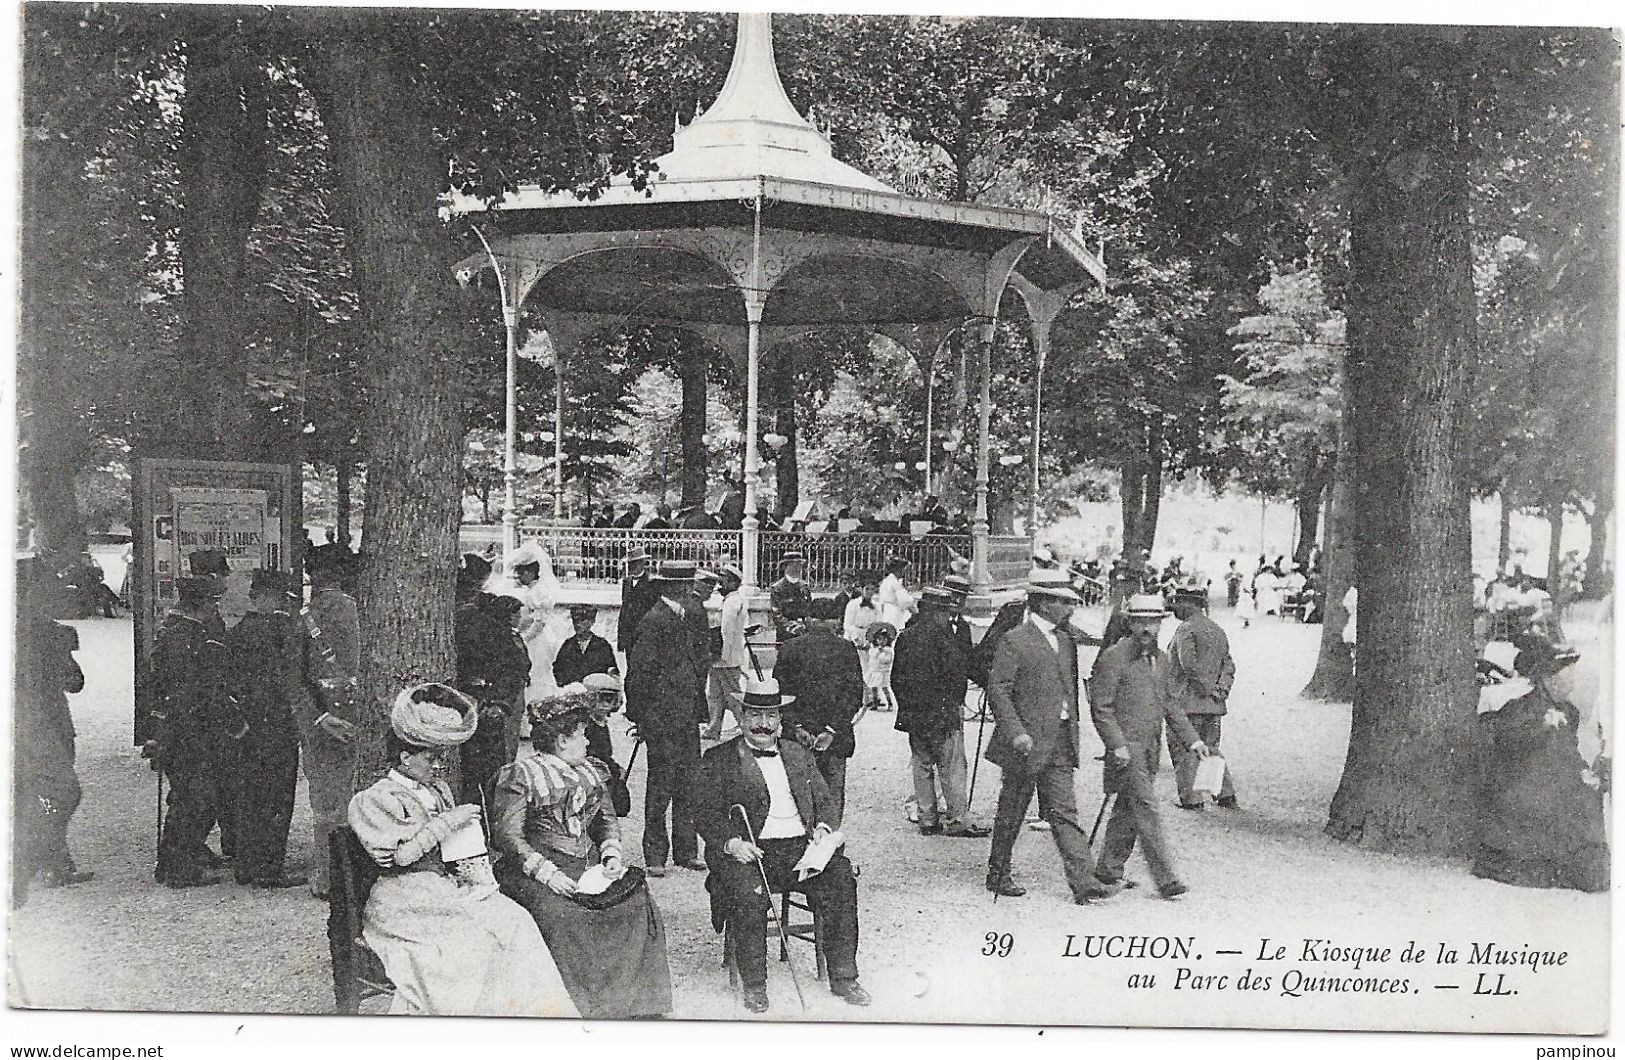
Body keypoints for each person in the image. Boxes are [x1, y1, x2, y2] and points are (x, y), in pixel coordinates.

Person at [348, 683, 578, 1017]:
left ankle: (540, 1015)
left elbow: (452, 847)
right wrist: (448, 822)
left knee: (517, 920)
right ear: (404, 757)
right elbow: (400, 857)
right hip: (404, 898)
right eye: (431, 759)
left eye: (440, 758)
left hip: (445, 888)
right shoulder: (376, 799)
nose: (438, 767)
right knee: (472, 944)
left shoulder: (437, 789)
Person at [492, 684, 673, 1018]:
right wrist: (548, 873)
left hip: (584, 863)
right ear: (562, 739)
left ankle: (639, 1003)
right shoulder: (521, 775)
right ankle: (578, 1009)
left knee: (637, 901)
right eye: (581, 735)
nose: (587, 742)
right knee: (563, 915)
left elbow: (605, 821)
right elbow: (508, 836)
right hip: (533, 867)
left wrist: (611, 855)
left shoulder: (591, 771)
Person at [695, 677, 870, 1012]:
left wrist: (821, 827)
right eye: (756, 715)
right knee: (748, 893)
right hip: (750, 850)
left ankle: (844, 977)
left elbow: (826, 800)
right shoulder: (719, 758)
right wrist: (730, 843)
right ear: (742, 717)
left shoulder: (797, 753)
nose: (764, 724)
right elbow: (702, 812)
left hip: (798, 850)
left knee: (841, 876)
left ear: (781, 720)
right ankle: (755, 984)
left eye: (772, 716)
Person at [982, 571, 1119, 902]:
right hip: (1024, 744)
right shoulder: (1015, 640)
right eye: (1063, 602)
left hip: (1059, 739)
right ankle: (997, 873)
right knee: (1012, 810)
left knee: (1064, 811)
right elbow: (998, 690)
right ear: (1044, 603)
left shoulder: (1067, 641)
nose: (1070, 607)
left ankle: (1085, 881)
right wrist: (1015, 732)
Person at [1089, 594, 1210, 900]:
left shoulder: (1163, 659)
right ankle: (1166, 878)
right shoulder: (1113, 657)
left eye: (1153, 622)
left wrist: (1193, 740)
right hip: (1126, 750)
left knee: (1128, 808)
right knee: (1146, 807)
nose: (1148, 629)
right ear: (1129, 623)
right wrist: (1116, 745)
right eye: (1141, 622)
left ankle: (1108, 870)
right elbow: (1100, 707)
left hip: (1151, 748)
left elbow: (1170, 704)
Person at [1474, 634, 1609, 893]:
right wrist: (1540, 725)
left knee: (1586, 793)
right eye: (1568, 679)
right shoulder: (1521, 706)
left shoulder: (1569, 711)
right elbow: (1506, 741)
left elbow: (1569, 753)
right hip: (1522, 786)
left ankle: (1587, 868)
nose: (1572, 686)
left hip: (1553, 783)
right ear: (1550, 680)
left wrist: (1583, 771)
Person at [148, 569, 243, 887]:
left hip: (180, 726)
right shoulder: (188, 637)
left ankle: (179, 856)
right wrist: (234, 724)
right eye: (211, 602)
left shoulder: (173, 631)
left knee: (190, 795)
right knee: (197, 796)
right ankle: (176, 867)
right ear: (201, 604)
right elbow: (204, 689)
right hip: (190, 729)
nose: (214, 609)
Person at [223, 570, 308, 888]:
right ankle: (269, 867)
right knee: (277, 797)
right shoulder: (284, 630)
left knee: (248, 794)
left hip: (248, 724)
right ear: (273, 598)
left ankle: (246, 863)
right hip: (278, 723)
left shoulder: (236, 632)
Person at [13, 559, 92, 903]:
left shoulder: (47, 631)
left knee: (37, 791)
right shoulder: (49, 633)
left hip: (43, 721)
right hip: (44, 723)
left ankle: (53, 861)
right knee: (58, 790)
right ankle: (36, 859)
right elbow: (74, 682)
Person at [625, 560, 710, 876]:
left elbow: (701, 660)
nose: (689, 590)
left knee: (689, 784)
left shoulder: (692, 616)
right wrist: (640, 716)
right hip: (661, 718)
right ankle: (656, 855)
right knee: (660, 786)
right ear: (673, 588)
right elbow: (638, 675)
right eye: (685, 585)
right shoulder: (653, 621)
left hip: (687, 714)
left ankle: (686, 851)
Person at [892, 587, 988, 838]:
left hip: (914, 715)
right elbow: (956, 676)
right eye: (945, 611)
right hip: (942, 714)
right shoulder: (945, 640)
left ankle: (927, 819)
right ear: (937, 613)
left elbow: (896, 679)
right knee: (952, 766)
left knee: (922, 764)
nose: (948, 616)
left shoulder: (906, 637)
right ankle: (958, 819)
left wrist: (907, 706)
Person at [300, 554, 362, 900]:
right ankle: (352, 874)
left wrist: (318, 717)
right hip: (359, 711)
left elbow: (294, 680)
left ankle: (327, 875)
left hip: (323, 719)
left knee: (326, 803)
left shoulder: (305, 618)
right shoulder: (365, 612)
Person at [773, 614, 866, 821]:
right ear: (833, 622)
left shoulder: (789, 647)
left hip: (797, 736)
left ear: (807, 620)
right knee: (832, 793)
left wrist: (796, 727)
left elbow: (779, 693)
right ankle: (829, 841)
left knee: (797, 792)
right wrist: (831, 731)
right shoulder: (846, 649)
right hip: (835, 737)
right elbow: (854, 695)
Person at [455, 589, 531, 804]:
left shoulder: (490, 627)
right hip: (464, 706)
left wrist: (498, 703)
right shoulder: (464, 619)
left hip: (486, 709)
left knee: (488, 776)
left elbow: (517, 666)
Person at [1167, 584, 1239, 810]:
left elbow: (1189, 665)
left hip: (1187, 702)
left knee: (1184, 748)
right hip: (1214, 705)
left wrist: (1205, 689)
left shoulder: (1185, 630)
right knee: (1212, 748)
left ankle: (1191, 799)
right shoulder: (1217, 629)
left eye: (1179, 601)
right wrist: (1219, 691)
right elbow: (1229, 665)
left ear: (1192, 604)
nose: (1175, 606)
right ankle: (1225, 794)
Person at [551, 604, 628, 813]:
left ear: (592, 622)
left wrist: (613, 696)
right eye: (576, 621)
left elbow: (613, 672)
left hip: (596, 705)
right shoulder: (568, 646)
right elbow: (558, 670)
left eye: (584, 621)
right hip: (577, 703)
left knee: (600, 744)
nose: (580, 625)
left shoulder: (602, 646)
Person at [487, 544, 565, 702]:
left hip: (538, 639)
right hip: (533, 635)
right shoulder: (532, 590)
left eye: (520, 572)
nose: (517, 576)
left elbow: (539, 622)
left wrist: (525, 639)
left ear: (530, 573)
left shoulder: (539, 592)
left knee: (537, 671)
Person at [706, 565, 749, 741]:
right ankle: (713, 728)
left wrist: (721, 655)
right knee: (714, 695)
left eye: (723, 579)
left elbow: (726, 631)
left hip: (726, 658)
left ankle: (747, 727)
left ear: (732, 582)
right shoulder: (733, 600)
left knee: (732, 696)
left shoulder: (732, 602)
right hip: (724, 658)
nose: (719, 584)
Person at [617, 547, 657, 656]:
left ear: (642, 563)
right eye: (629, 564)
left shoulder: (651, 583)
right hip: (629, 636)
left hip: (644, 637)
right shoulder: (626, 582)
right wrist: (621, 640)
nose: (631, 567)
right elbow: (624, 610)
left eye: (634, 563)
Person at [768, 551, 813, 639]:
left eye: (799, 565)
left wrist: (808, 624)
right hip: (786, 635)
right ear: (785, 566)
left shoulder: (804, 587)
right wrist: (793, 627)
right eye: (794, 565)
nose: (797, 568)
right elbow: (776, 614)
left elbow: (809, 610)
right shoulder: (778, 588)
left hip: (804, 635)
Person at [865, 622, 898, 713]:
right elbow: (872, 657)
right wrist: (877, 652)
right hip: (875, 671)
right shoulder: (873, 649)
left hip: (883, 672)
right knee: (874, 687)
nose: (882, 641)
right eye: (879, 639)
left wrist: (882, 654)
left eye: (884, 639)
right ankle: (875, 703)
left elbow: (887, 660)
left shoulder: (888, 651)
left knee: (885, 687)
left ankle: (890, 703)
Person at [877, 555, 917, 629]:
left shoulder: (885, 581)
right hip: (895, 613)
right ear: (898, 569)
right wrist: (915, 612)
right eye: (903, 569)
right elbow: (905, 600)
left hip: (886, 612)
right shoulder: (894, 582)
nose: (903, 572)